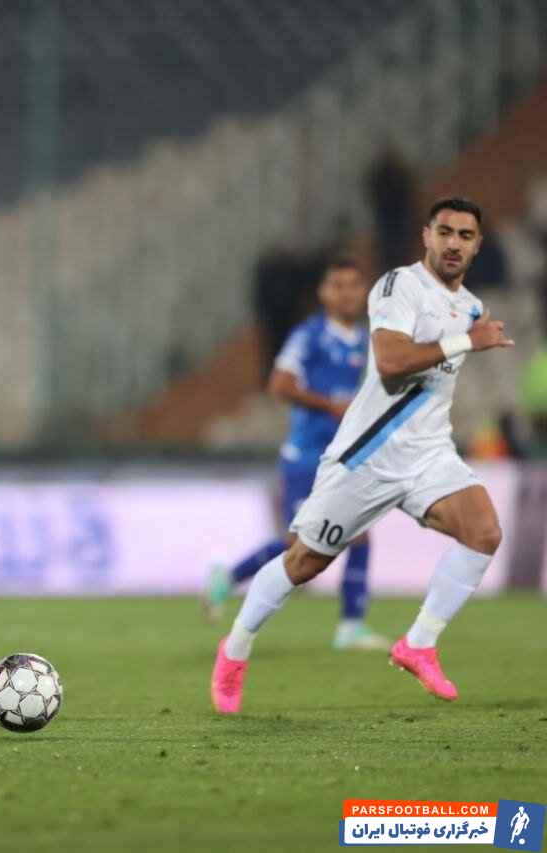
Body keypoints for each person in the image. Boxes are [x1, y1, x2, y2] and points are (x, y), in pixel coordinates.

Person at [211, 197, 514, 714]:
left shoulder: (470, 308)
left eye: (465, 236)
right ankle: (235, 649)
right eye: (444, 232)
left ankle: (418, 644)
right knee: (304, 561)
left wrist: (470, 334)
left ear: (477, 246)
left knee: (484, 532)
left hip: (427, 453)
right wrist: (467, 341)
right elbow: (391, 362)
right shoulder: (398, 286)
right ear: (426, 236)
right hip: (367, 456)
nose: (453, 244)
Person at [204, 258, 390, 651]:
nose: (347, 293)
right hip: (306, 456)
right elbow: (280, 384)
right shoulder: (310, 336)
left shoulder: (365, 338)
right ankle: (230, 578)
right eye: (338, 285)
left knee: (359, 535)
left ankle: (351, 627)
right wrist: (330, 405)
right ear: (323, 293)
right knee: (299, 543)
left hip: (343, 456)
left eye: (354, 285)